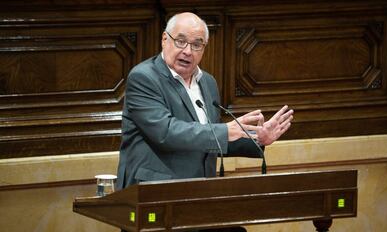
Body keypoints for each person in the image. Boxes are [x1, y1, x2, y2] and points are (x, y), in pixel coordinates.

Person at [116, 12, 293, 231]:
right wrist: (224, 131)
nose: (187, 51)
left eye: (197, 44)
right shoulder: (144, 78)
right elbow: (166, 132)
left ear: (204, 48)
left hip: (198, 198)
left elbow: (210, 140)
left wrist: (257, 138)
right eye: (180, 41)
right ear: (164, 39)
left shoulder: (207, 82)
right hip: (154, 196)